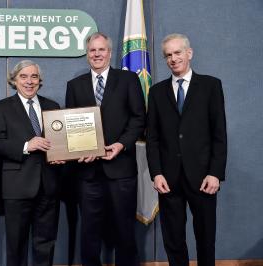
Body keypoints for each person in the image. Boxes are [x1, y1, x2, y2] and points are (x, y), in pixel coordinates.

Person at [146, 33, 227, 266]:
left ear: (189, 53)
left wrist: (215, 173)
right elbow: (152, 137)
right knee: (173, 239)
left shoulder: (211, 86)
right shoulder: (157, 92)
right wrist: (156, 172)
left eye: (177, 53)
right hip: (168, 179)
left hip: (203, 177)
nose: (173, 59)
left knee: (205, 237)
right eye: (168, 55)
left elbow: (218, 134)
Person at [65, 32, 146, 266]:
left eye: (101, 50)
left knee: (124, 230)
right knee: (89, 232)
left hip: (120, 169)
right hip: (88, 172)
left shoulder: (129, 80)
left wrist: (121, 144)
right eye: (92, 50)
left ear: (110, 53)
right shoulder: (75, 85)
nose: (97, 54)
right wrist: (79, 150)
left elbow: (138, 119)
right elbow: (71, 125)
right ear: (87, 54)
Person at [0, 60, 61, 266]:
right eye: (24, 76)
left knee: (45, 244)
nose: (29, 81)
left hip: (48, 186)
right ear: (14, 80)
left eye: (34, 77)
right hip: (17, 187)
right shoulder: (1, 107)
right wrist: (26, 146)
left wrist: (62, 156)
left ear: (40, 81)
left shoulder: (52, 106)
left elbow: (59, 143)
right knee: (16, 246)